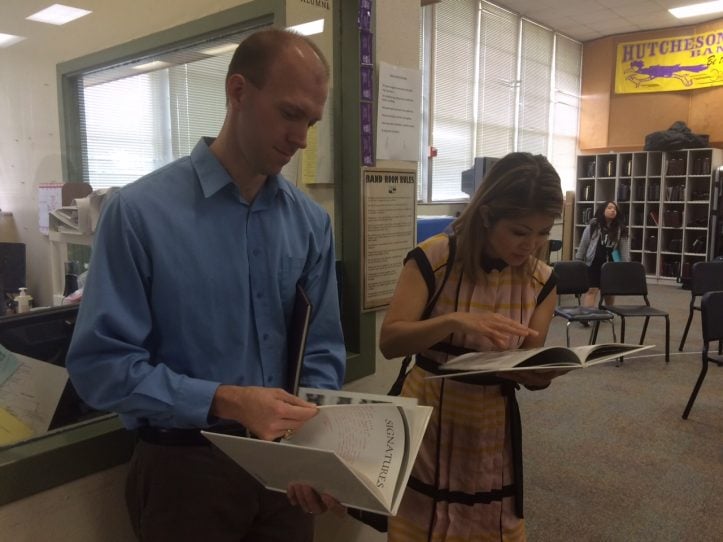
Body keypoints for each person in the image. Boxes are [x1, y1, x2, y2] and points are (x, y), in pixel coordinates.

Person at [66, 28, 346, 542]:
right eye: (289, 113)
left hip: (286, 467)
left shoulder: (310, 223)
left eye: (311, 120)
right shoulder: (139, 214)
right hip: (184, 472)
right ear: (237, 92)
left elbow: (322, 349)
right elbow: (100, 367)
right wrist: (227, 400)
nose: (302, 137)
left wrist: (316, 443)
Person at [380, 152, 566, 541]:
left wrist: (543, 372)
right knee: (420, 527)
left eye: (543, 233)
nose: (530, 245)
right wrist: (453, 321)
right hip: (430, 417)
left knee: (489, 527)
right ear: (486, 215)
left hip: (490, 427)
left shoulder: (541, 281)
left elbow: (529, 367)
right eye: (519, 231)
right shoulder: (434, 258)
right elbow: (390, 341)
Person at [575, 200, 629, 312]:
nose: (613, 210)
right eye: (609, 208)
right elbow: (583, 245)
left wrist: (624, 266)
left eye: (614, 209)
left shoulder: (620, 229)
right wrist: (578, 261)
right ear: (603, 210)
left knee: (609, 291)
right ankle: (587, 314)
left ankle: (608, 312)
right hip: (594, 262)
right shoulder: (593, 226)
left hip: (611, 264)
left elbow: (623, 249)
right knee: (592, 289)